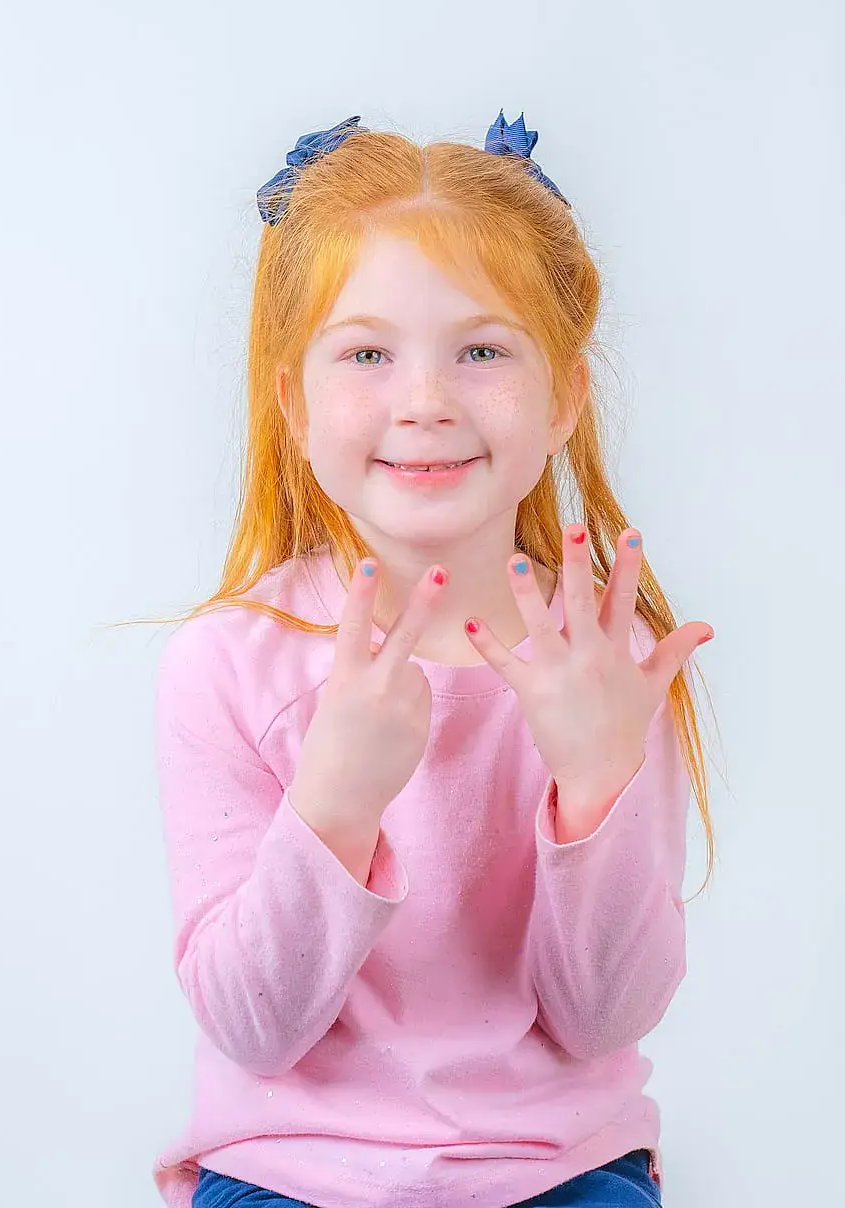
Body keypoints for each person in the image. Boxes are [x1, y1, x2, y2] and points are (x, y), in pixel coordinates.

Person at [145, 110, 719, 1207]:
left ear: (563, 397)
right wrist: (335, 803)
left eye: (482, 350)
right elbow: (252, 1025)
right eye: (367, 351)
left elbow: (608, 1013)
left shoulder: (610, 659)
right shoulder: (227, 664)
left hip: (557, 1172)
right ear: (293, 403)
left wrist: (596, 783)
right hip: (290, 1173)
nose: (426, 399)